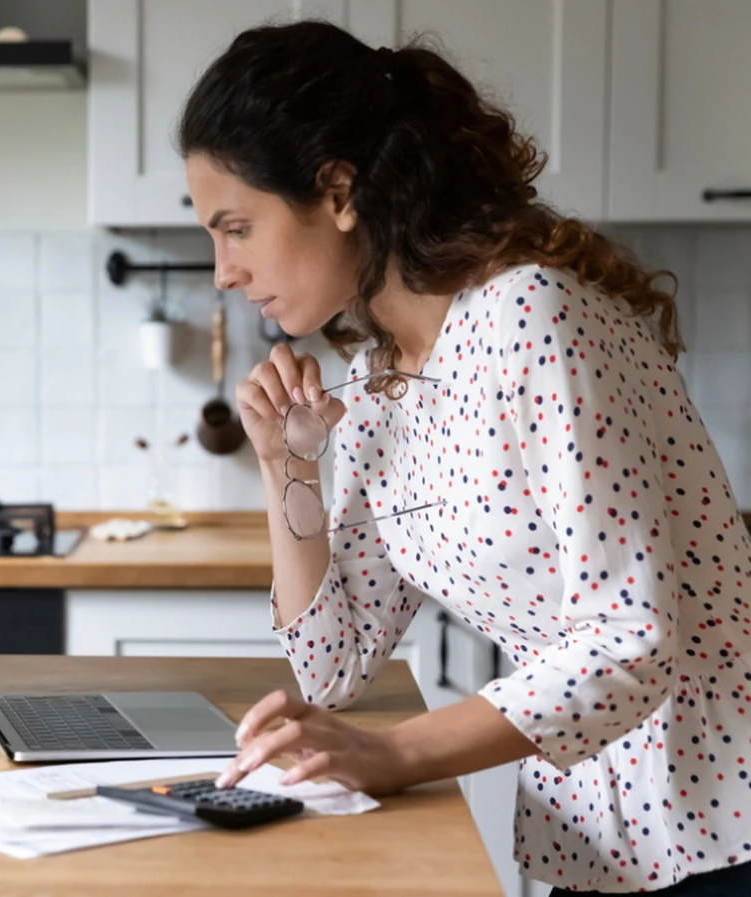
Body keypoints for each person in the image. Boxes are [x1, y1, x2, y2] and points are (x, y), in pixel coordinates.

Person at [176, 19, 751, 897]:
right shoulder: (380, 382)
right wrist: (287, 468)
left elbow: (635, 636)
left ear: (337, 191)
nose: (221, 269)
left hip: (719, 821)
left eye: (237, 227)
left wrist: (394, 753)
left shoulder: (531, 316)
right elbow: (331, 669)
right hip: (604, 840)